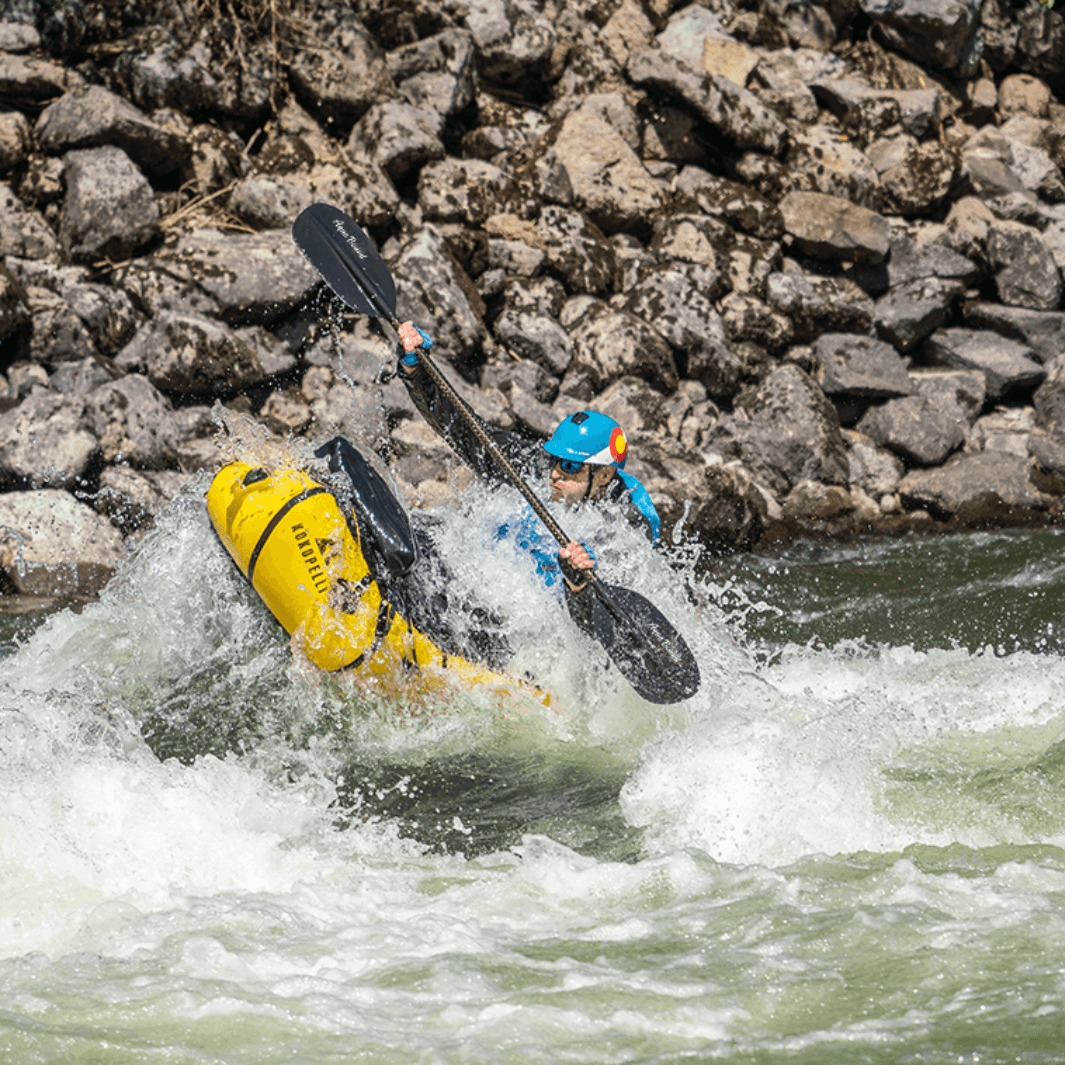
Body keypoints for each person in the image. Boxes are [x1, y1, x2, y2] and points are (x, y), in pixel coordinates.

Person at [393, 320, 661, 637]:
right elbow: (468, 431)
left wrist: (578, 583)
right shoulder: (535, 467)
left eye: (572, 467)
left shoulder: (626, 522)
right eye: (556, 460)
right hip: (499, 576)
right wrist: (418, 372)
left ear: (603, 476)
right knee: (424, 529)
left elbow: (602, 627)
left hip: (545, 629)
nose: (555, 472)